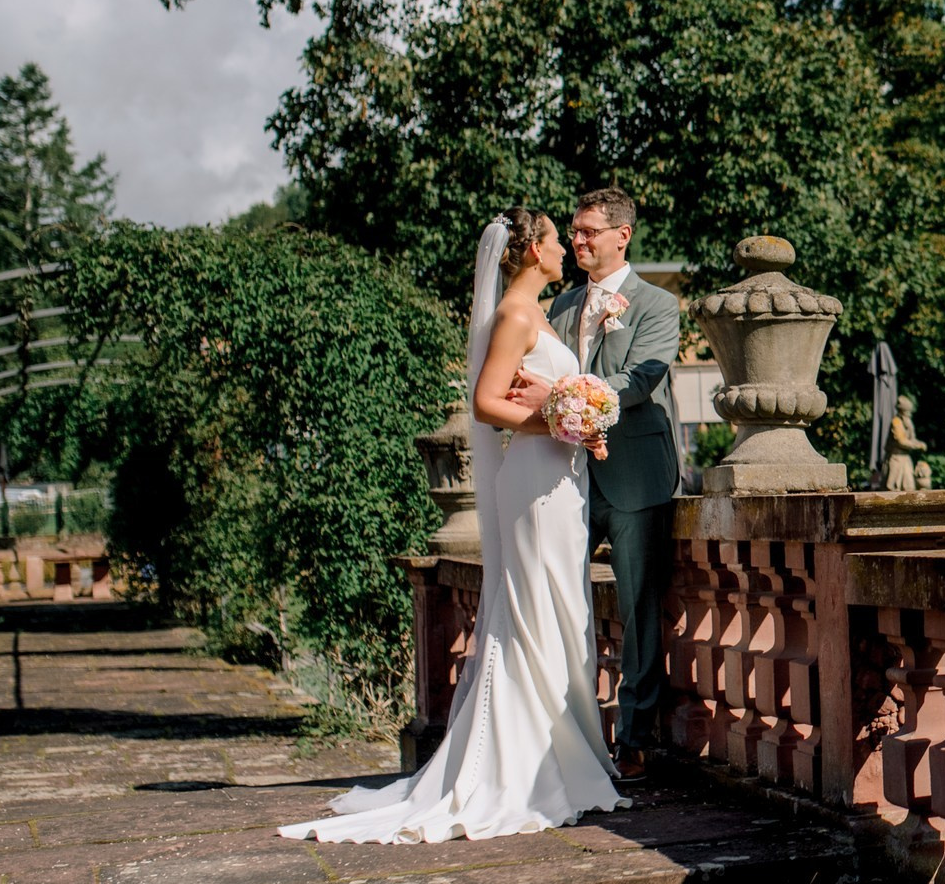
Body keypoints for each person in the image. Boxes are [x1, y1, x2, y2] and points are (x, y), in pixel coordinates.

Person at [281, 211, 623, 843]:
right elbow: (487, 404)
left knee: (560, 607)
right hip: (536, 479)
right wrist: (563, 418)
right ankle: (529, 770)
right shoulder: (517, 316)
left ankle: (562, 755)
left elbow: (532, 394)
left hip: (561, 479)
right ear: (530, 253)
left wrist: (573, 410)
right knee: (532, 612)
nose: (563, 249)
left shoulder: (540, 313)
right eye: (554, 239)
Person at [509, 189, 679, 782]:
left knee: (637, 610)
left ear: (621, 236)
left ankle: (634, 738)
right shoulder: (559, 306)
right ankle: (563, 739)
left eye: (587, 232)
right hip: (566, 477)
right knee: (556, 601)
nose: (577, 241)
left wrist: (562, 398)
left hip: (634, 476)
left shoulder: (658, 305)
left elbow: (636, 383)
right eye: (574, 233)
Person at [883, 394, 927, 492]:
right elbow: (901, 441)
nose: (909, 415)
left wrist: (919, 443)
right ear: (902, 412)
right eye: (907, 412)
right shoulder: (896, 422)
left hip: (905, 458)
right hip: (896, 458)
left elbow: (912, 439)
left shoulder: (909, 423)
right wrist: (917, 445)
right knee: (892, 488)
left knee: (909, 487)